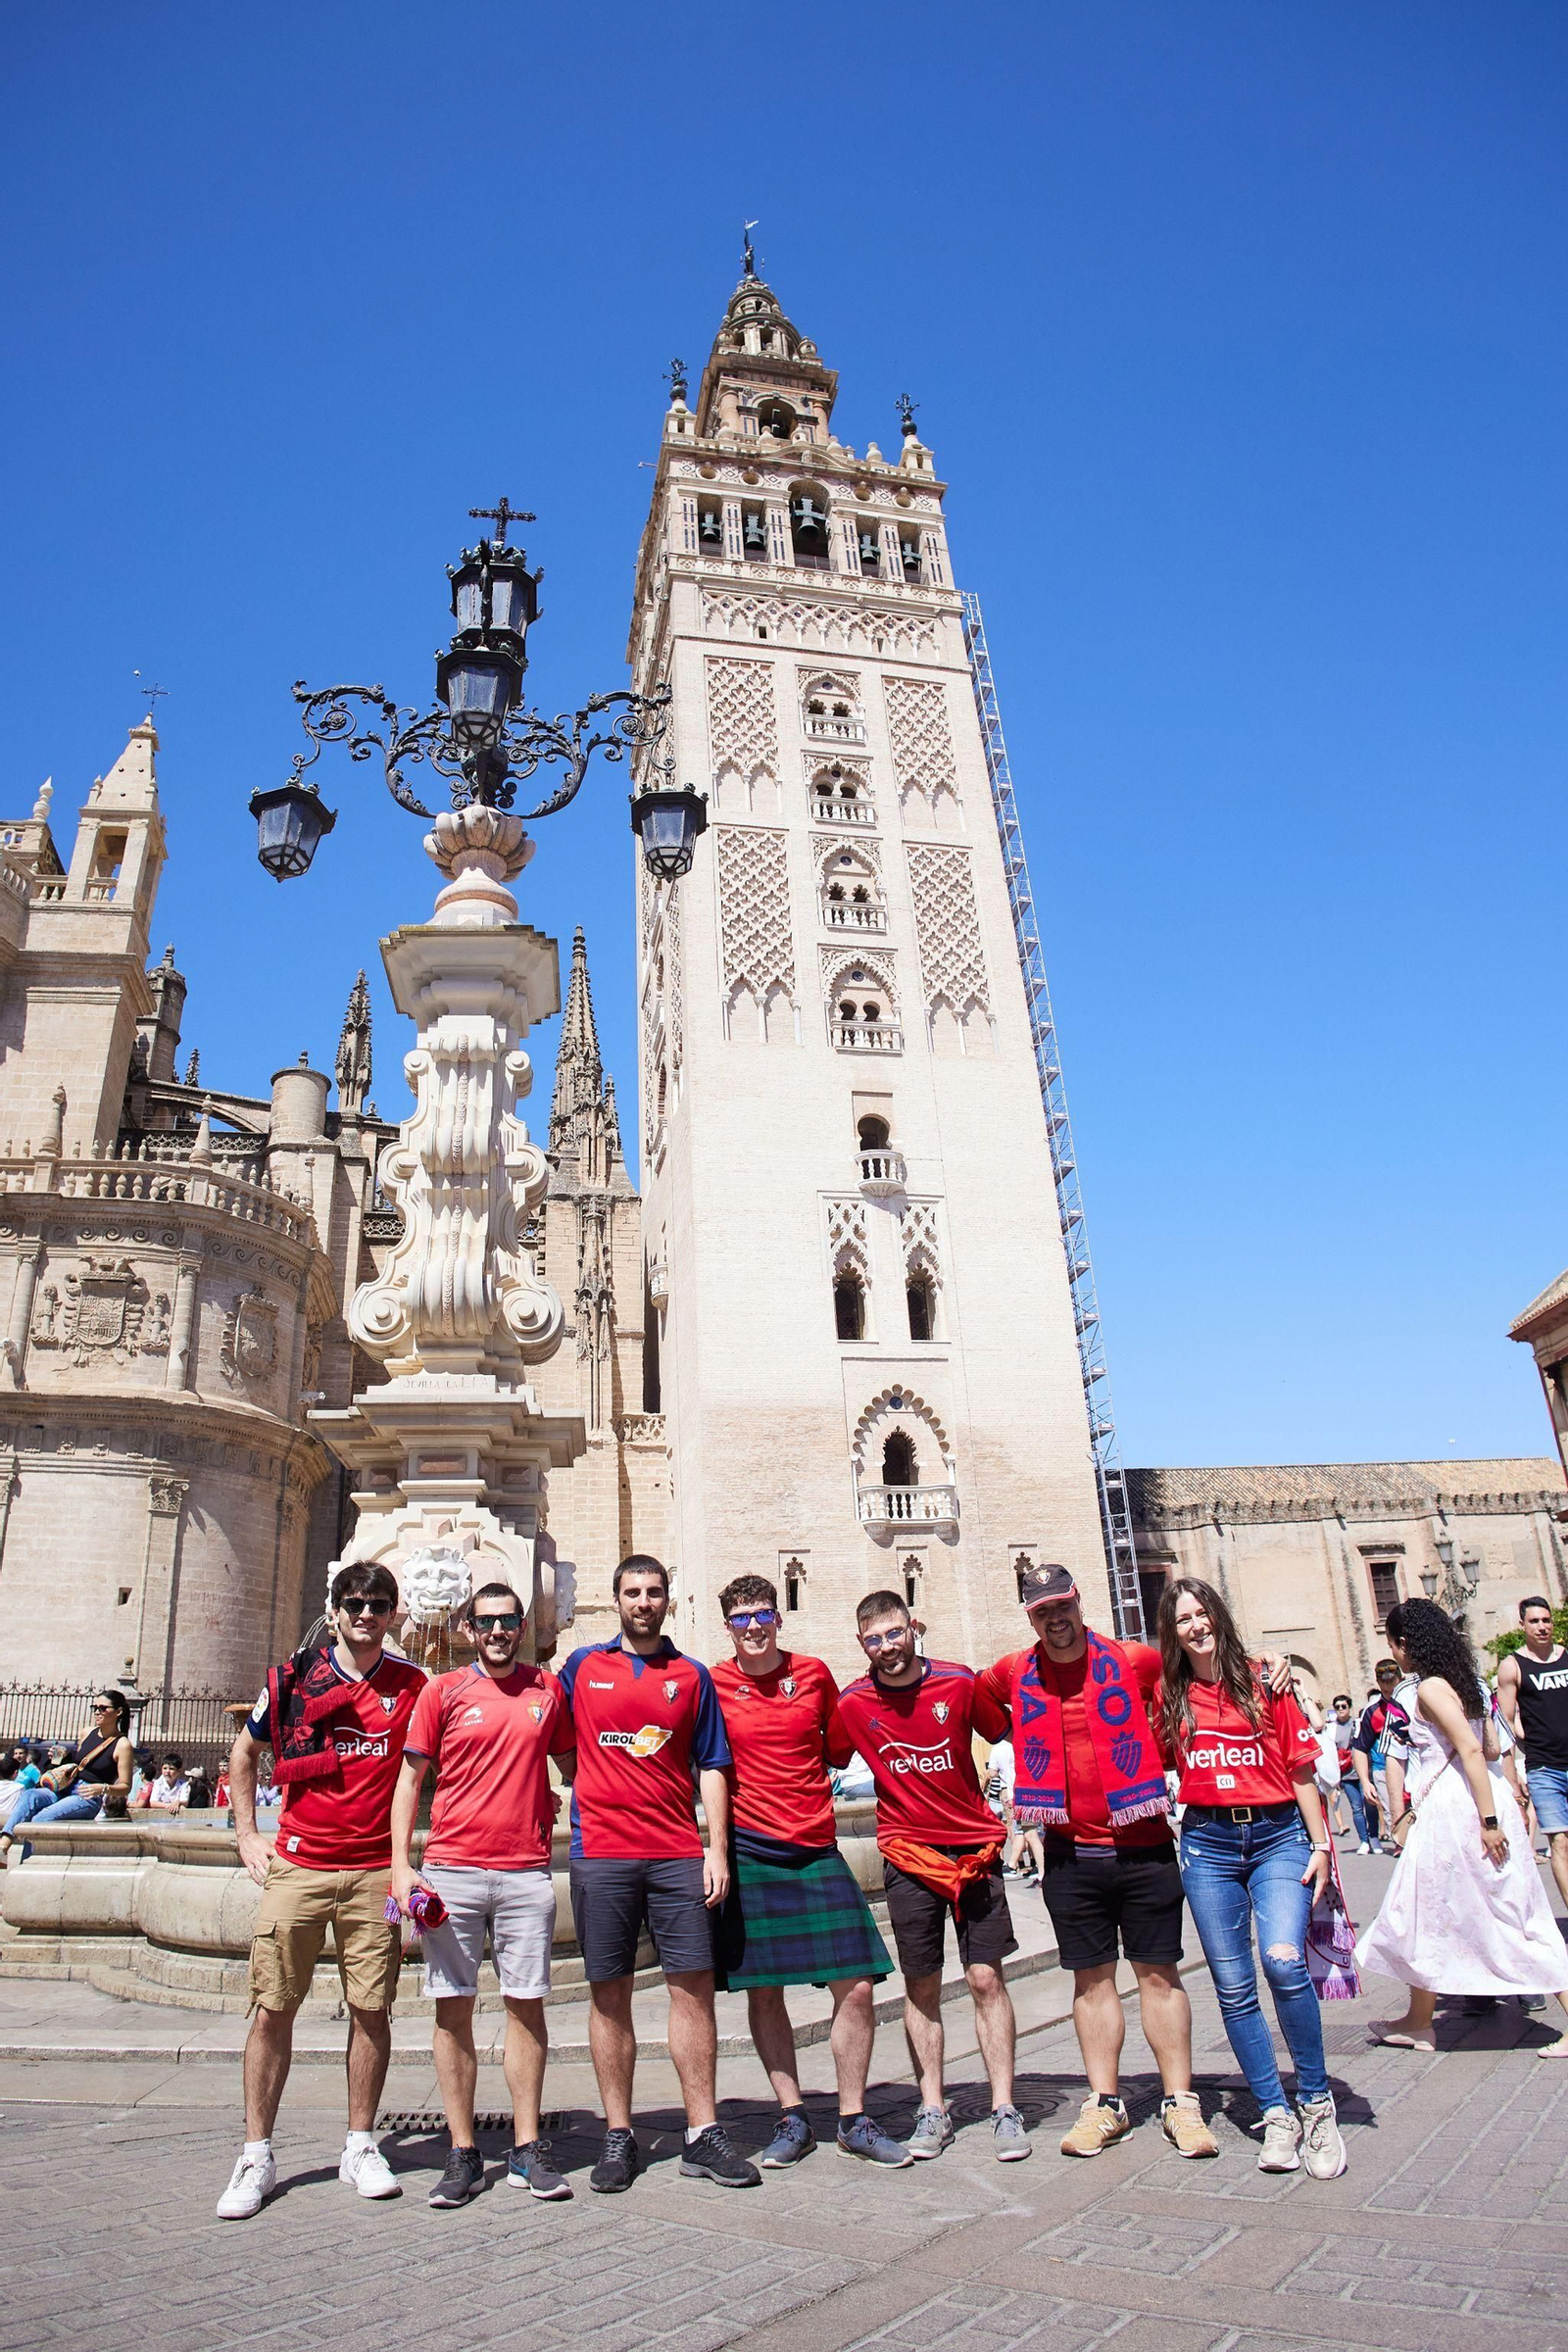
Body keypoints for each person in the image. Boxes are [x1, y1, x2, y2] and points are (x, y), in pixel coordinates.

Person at [978, 1565, 1215, 2161]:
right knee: (1090, 1982)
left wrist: (1265, 1668)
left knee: (1158, 1976)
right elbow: (969, 1703)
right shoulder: (1011, 1673)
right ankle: (1105, 2103)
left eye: (1062, 1605)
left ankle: (1180, 2102)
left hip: (1143, 1845)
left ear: (1079, 1602)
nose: (1054, 1618)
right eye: (1041, 1611)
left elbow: (1204, 1677)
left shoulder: (1137, 1661)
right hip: (1068, 1852)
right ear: (1029, 1616)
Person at [216, 1562, 425, 2221]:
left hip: (372, 1874)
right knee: (273, 2009)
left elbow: (432, 1772)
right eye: (355, 1603)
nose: (366, 1614)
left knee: (372, 2009)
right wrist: (248, 1835)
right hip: (300, 1868)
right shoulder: (293, 1679)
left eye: (379, 1604)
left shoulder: (413, 1686)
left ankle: (360, 2145)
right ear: (334, 1608)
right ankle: (256, 2153)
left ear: (394, 1613)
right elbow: (243, 1754)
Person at [559, 1553, 760, 2192]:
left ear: (669, 1599)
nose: (643, 1601)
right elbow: (555, 1735)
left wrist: (717, 1850)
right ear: (614, 1598)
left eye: (653, 1592)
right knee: (608, 1992)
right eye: (632, 1592)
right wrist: (579, 1778)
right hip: (603, 1851)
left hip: (676, 1851)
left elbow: (713, 1765)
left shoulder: (691, 1676)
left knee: (691, 1989)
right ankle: (618, 2134)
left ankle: (704, 2131)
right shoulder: (582, 1667)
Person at [709, 1574, 908, 2170]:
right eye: (742, 1617)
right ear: (728, 1626)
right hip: (751, 1850)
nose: (753, 1625)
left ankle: (853, 2117)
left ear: (778, 1616)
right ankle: (792, 2116)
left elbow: (840, 1750)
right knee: (763, 1992)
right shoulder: (713, 1683)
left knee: (860, 1984)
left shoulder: (815, 1674)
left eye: (763, 1613)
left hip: (815, 1846)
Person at [390, 1580, 577, 2208]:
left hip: (526, 1871)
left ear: (522, 1626)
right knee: (453, 2009)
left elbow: (575, 1765)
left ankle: (526, 2148)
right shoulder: (441, 1691)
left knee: (528, 2005)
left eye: (508, 1621)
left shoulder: (548, 1689)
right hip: (452, 1870)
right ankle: (463, 2152)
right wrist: (400, 1865)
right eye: (487, 1622)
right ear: (469, 1629)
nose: (498, 1631)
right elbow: (409, 1781)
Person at [1156, 1579, 1347, 2179]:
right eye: (1183, 1618)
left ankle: (1316, 2102)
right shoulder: (1169, 1694)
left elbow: (1299, 1767)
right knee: (1234, 1987)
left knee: (1284, 1961)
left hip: (1278, 1836)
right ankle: (1274, 2111)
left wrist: (1321, 1843)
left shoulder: (1267, 1679)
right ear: (1172, 1631)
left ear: (1219, 1615)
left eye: (1202, 1612)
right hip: (1208, 1844)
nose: (1196, 1624)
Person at [834, 1590, 1032, 2162]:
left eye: (895, 1633)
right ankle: (933, 2109)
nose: (887, 1646)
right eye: (875, 1638)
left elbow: (1009, 1729)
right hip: (908, 1856)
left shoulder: (958, 1682)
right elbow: (820, 1752)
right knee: (920, 1986)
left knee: (986, 1979)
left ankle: (1003, 2106)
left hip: (974, 1851)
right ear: (861, 1643)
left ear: (912, 1627)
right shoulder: (853, 1704)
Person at [1357, 1597, 1568, 2055]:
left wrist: (1489, 1821)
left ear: (1406, 1643)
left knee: (1513, 1914)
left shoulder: (1431, 1689)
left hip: (1463, 1810)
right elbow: (1494, 1746)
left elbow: (1473, 1750)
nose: (1393, 1652)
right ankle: (1418, 2020)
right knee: (1426, 1910)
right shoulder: (1465, 1684)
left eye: (1393, 1644)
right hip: (1474, 1801)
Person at [1496, 1597, 1568, 1917]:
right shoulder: (1513, 1666)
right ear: (1522, 1625)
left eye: (1546, 1620)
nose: (1542, 1626)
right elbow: (1505, 1724)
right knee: (1561, 1844)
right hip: (1544, 1768)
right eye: (1535, 1621)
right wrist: (1512, 1778)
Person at [0, 1691, 133, 1860]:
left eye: (103, 1708)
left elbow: (125, 1787)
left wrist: (103, 1788)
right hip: (66, 1786)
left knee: (41, 1817)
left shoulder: (122, 1745)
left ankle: (27, 1863)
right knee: (30, 1795)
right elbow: (77, 1764)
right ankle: (3, 1846)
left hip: (86, 1797)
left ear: (118, 1712)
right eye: (95, 1708)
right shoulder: (87, 1732)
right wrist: (61, 1756)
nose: (97, 1712)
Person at [1351, 1663, 1404, 1852]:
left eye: (1393, 1686)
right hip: (1384, 1768)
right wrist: (1365, 1782)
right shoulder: (1372, 1710)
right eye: (1385, 1688)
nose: (1390, 1692)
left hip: (1416, 1765)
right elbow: (1359, 1748)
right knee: (1393, 1811)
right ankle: (1401, 1845)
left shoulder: (1415, 1700)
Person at [1328, 1695, 1366, 1844]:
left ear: (1349, 1707)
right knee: (1356, 1807)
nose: (1341, 1709)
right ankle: (1364, 1841)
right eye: (1337, 1707)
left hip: (1362, 1770)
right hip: (1346, 1773)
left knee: (1370, 1805)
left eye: (1343, 1706)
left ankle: (1374, 1836)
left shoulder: (1358, 1724)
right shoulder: (1331, 1728)